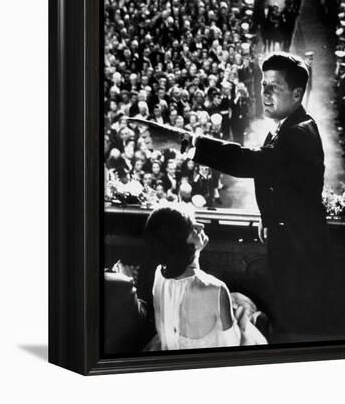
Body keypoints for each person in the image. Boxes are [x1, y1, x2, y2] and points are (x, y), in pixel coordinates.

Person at [134, 53, 329, 341]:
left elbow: (247, 163)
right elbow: (275, 178)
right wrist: (269, 219)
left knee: (296, 319)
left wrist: (181, 140)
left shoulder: (297, 134)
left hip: (300, 251)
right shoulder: (285, 128)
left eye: (275, 87)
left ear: (298, 94)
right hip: (289, 240)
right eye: (263, 85)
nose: (265, 93)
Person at [143, 205, 267, 350]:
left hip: (172, 347)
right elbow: (231, 344)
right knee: (250, 311)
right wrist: (241, 319)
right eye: (192, 227)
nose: (201, 226)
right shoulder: (216, 288)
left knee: (238, 301)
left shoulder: (160, 274)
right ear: (181, 245)